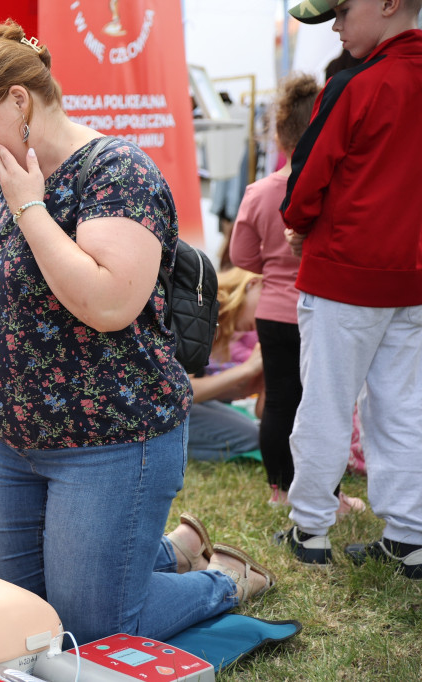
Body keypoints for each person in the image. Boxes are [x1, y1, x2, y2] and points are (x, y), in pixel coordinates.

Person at [0, 20, 276, 644]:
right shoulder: (16, 174)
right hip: (17, 441)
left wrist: (32, 208)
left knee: (88, 626)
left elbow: (108, 305)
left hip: (112, 436)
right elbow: (3, 283)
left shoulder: (118, 172)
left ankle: (224, 579)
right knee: (16, 615)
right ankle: (168, 552)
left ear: (18, 100)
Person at [276, 0, 422, 579]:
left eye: (341, 10)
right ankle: (410, 537)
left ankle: (310, 528)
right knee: (405, 407)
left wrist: (297, 222)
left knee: (327, 405)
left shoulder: (356, 84)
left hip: (343, 272)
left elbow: (308, 174)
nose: (335, 25)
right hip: (412, 279)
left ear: (387, 3)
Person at [230, 72, 366, 516]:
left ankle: (279, 490)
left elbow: (242, 256)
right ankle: (324, 496)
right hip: (320, 308)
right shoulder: (333, 192)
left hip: (272, 312)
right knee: (321, 408)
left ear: (281, 134)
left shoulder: (259, 192)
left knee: (278, 401)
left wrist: (273, 261)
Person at [186, 268, 264, 462]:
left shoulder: (215, 317)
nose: (266, 315)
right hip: (145, 406)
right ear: (252, 283)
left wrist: (240, 389)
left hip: (165, 402)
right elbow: (181, 391)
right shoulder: (199, 307)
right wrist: (246, 370)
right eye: (266, 304)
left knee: (253, 432)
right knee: (250, 437)